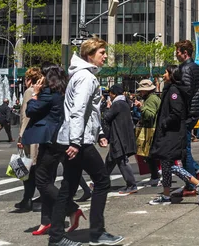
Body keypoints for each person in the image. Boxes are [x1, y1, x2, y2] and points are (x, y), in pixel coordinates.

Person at [48, 38, 123, 246]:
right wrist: (75, 141)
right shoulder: (86, 78)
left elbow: (91, 112)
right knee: (102, 181)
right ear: (90, 56)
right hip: (79, 141)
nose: (105, 56)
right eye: (101, 52)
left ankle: (56, 237)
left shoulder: (81, 76)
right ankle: (97, 233)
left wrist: (99, 133)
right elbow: (78, 111)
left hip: (77, 139)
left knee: (68, 187)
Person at [23, 64, 80, 236]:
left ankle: (72, 209)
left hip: (51, 141)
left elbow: (31, 110)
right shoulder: (64, 91)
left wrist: (34, 94)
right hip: (62, 138)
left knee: (41, 181)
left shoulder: (48, 93)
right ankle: (46, 221)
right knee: (48, 179)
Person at [148, 66, 199, 205]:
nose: (163, 75)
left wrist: (164, 123)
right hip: (169, 132)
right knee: (165, 162)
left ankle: (197, 183)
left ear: (172, 75)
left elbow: (176, 112)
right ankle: (166, 195)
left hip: (172, 133)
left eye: (166, 72)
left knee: (169, 163)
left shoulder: (174, 91)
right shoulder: (171, 89)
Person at [173, 40, 199, 197]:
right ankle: (197, 174)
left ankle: (191, 184)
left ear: (184, 53)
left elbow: (185, 92)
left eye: (178, 51)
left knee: (184, 150)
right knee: (185, 148)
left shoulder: (185, 68)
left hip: (186, 114)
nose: (176, 54)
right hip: (194, 113)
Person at [15, 66, 43, 211]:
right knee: (34, 168)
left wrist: (20, 136)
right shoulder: (41, 91)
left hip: (29, 135)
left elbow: (26, 116)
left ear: (29, 79)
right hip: (39, 135)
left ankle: (28, 199)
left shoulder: (29, 92)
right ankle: (29, 199)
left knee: (28, 169)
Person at [102, 84, 138, 195]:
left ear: (114, 94)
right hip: (123, 136)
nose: (110, 96)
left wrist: (107, 108)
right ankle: (102, 183)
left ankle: (131, 184)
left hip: (119, 137)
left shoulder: (117, 104)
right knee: (110, 161)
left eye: (111, 94)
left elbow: (107, 117)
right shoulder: (125, 103)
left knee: (122, 160)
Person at [135, 78, 161, 185]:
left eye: (141, 90)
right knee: (150, 155)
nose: (140, 93)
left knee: (149, 155)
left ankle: (155, 176)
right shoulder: (153, 98)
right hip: (152, 129)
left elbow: (150, 115)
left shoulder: (151, 99)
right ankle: (156, 174)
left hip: (151, 130)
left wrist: (142, 107)